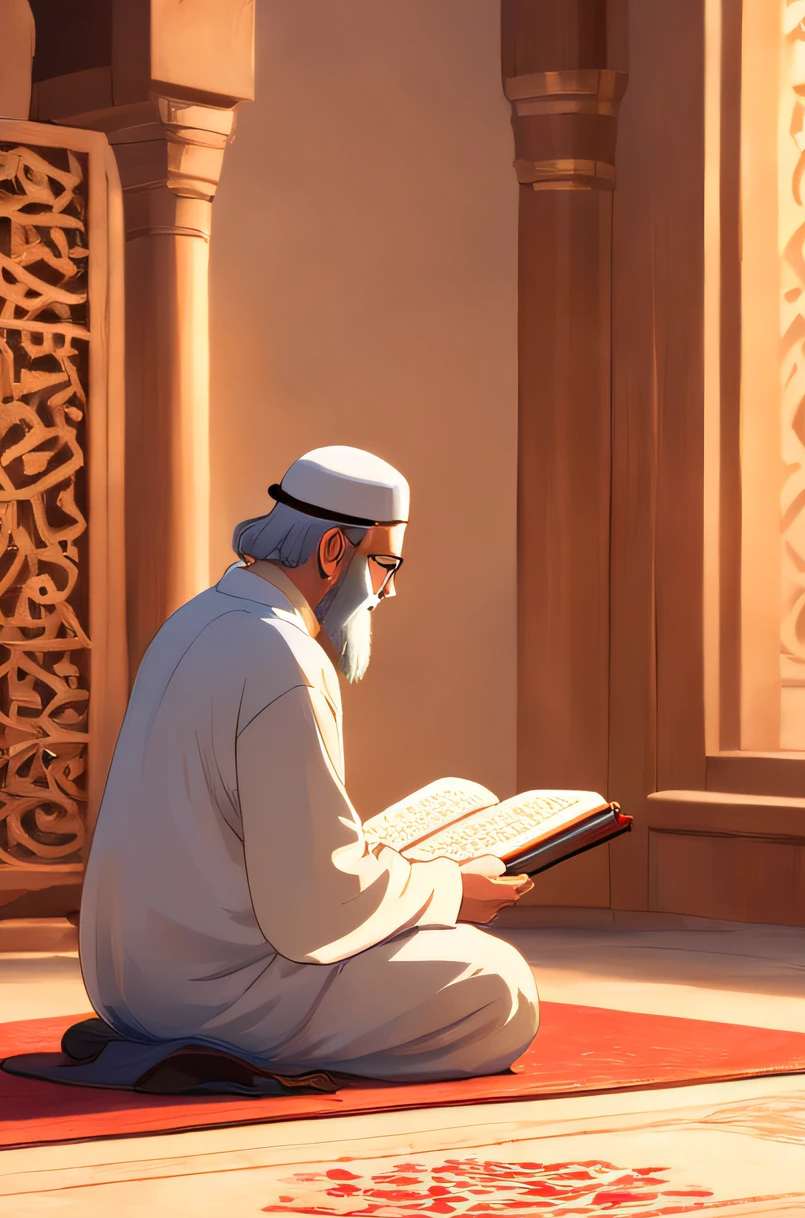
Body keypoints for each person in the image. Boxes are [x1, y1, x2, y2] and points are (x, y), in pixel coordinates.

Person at [79, 445, 539, 1082]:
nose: (389, 589)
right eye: (384, 564)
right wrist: (454, 889)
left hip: (130, 984)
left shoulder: (195, 620)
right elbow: (313, 911)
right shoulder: (282, 656)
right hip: (216, 988)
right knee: (499, 987)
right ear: (332, 552)